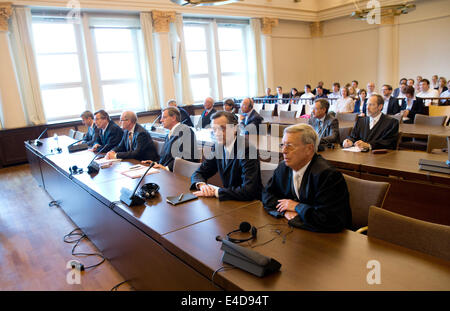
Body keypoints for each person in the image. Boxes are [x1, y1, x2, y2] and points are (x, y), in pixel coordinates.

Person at [261, 123, 351, 232]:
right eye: (282, 145)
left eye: (289, 146)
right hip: (294, 230)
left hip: (327, 239)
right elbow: (267, 195)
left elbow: (329, 219)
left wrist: (296, 207)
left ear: (309, 149)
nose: (284, 151)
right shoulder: (283, 167)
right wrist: (285, 211)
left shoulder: (327, 176)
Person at [190, 111, 262, 201]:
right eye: (214, 129)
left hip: (251, 204)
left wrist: (216, 192)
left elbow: (248, 190)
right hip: (231, 199)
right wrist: (202, 185)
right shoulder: (218, 147)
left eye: (222, 128)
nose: (217, 133)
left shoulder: (247, 150)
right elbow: (199, 172)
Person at [142, 107, 198, 171]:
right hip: (166, 172)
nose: (161, 120)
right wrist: (155, 163)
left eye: (164, 117)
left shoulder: (185, 131)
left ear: (173, 118)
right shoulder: (169, 133)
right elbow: (167, 157)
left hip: (179, 174)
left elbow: (185, 156)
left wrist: (167, 168)